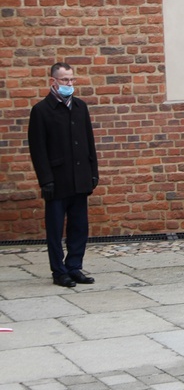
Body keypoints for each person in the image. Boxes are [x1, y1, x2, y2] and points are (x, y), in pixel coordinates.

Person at [28, 62, 99, 288]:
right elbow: (37, 149)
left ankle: (74, 266)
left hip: (80, 177)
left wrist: (93, 172)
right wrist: (45, 179)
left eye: (71, 79)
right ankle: (59, 271)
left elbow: (89, 142)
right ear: (53, 82)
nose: (69, 84)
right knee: (56, 228)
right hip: (57, 180)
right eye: (64, 80)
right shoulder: (42, 110)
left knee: (79, 226)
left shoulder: (80, 107)